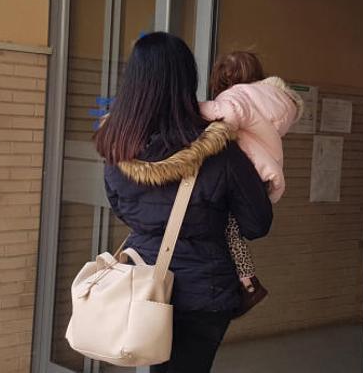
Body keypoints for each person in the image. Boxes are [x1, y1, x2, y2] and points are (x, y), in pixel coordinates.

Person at [97, 33, 273, 373]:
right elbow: (257, 224)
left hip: (142, 283)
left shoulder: (116, 147)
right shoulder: (220, 150)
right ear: (188, 80)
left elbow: (121, 207)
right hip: (203, 292)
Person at [200, 51, 303, 315]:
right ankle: (246, 282)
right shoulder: (271, 99)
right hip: (262, 172)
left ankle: (248, 284)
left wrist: (194, 108)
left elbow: (227, 115)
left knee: (229, 228)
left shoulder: (237, 97)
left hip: (246, 168)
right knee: (232, 227)